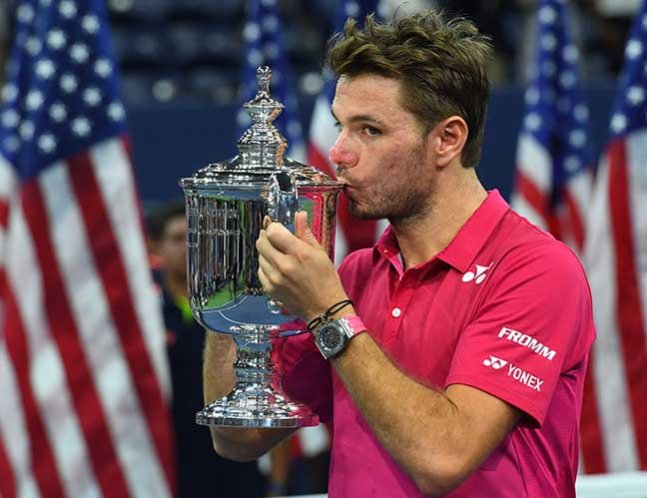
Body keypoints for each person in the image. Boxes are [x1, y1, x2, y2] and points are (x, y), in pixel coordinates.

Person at [203, 11, 595, 498]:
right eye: (339, 126)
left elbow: (444, 458)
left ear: (447, 139)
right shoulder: (353, 274)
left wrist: (329, 313)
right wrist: (241, 278)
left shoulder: (536, 269)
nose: (340, 152)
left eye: (369, 130)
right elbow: (238, 437)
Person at [149, 201, 290, 497]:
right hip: (173, 463)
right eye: (176, 239)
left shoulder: (240, 312)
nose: (187, 246)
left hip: (236, 460)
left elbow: (270, 392)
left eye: (193, 238)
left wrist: (278, 479)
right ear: (157, 249)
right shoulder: (145, 317)